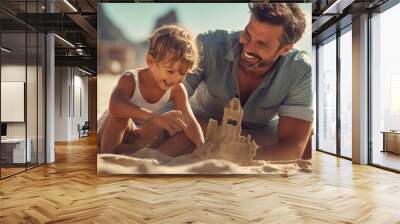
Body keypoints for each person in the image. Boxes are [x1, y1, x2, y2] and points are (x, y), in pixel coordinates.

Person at [158, 3, 313, 161]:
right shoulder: (208, 46)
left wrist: (236, 154)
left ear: (285, 49)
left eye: (262, 44)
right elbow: (167, 103)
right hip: (204, 121)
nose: (248, 47)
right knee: (178, 134)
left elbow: (293, 146)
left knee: (307, 138)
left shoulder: (299, 69)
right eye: (247, 33)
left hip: (258, 133)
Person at [97, 24, 204, 155]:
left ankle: (130, 152)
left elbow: (190, 121)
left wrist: (201, 146)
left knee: (174, 119)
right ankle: (107, 157)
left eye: (183, 73)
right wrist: (154, 118)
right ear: (150, 61)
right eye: (170, 71)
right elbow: (115, 106)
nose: (176, 78)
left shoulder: (177, 90)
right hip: (106, 132)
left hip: (136, 133)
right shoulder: (130, 79)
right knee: (121, 118)